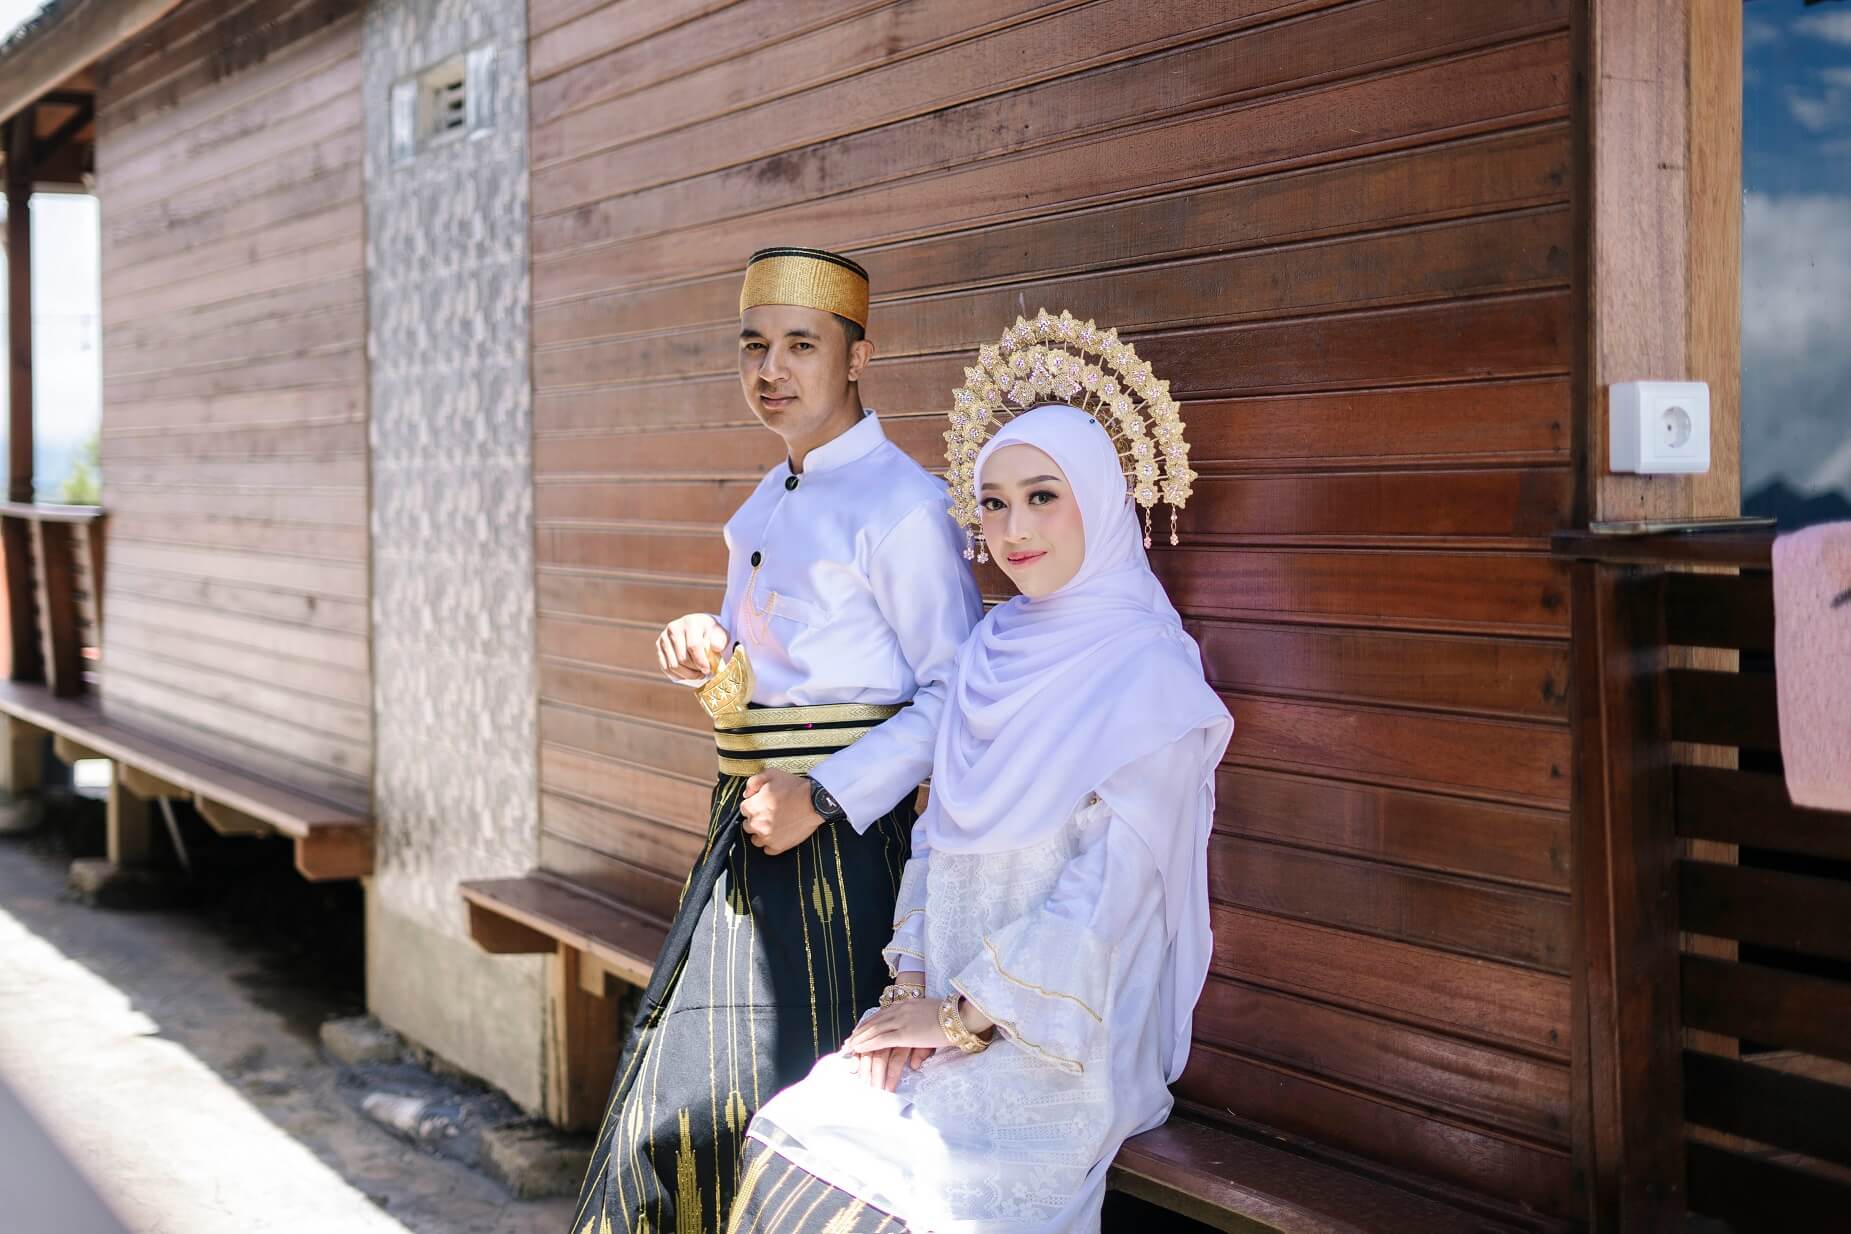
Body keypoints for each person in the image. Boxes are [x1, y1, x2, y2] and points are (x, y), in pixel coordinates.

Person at [726, 319, 1234, 1234]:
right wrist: (908, 997)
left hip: (1058, 1034)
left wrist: (964, 1018)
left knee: (904, 1199)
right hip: (943, 1008)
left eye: (1042, 497)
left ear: (1102, 501)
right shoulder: (989, 649)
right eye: (992, 504)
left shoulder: (1149, 674)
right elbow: (935, 838)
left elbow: (1108, 898)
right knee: (790, 1134)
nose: (1013, 529)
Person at [573, 248, 983, 1234]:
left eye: (801, 345)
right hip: (747, 831)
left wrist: (826, 795)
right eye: (753, 346)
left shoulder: (904, 505)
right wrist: (708, 652)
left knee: (767, 1104)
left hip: (843, 851)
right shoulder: (762, 504)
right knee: (683, 1093)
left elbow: (958, 695)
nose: (771, 369)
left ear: (858, 357)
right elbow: (762, 681)